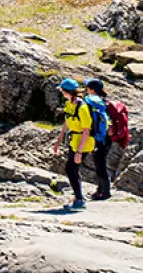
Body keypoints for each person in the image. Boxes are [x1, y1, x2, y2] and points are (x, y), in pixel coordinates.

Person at [86, 78, 129, 200]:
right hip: (107, 139)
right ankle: (100, 190)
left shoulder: (96, 104)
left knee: (100, 165)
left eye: (88, 89)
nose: (87, 91)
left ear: (92, 90)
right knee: (100, 163)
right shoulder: (106, 103)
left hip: (101, 138)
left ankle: (105, 192)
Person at [56, 78, 95, 210]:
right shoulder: (69, 104)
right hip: (74, 141)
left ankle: (79, 199)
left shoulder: (82, 108)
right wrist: (60, 138)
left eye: (62, 90)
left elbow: (86, 130)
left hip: (83, 143)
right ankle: (78, 197)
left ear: (67, 91)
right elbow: (68, 120)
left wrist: (79, 151)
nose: (61, 92)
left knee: (71, 169)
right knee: (72, 169)